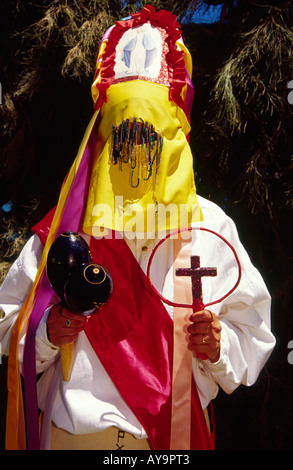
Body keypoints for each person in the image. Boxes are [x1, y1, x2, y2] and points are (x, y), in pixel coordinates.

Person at [0, 5, 275, 451]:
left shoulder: (209, 227)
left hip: (171, 438)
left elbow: (254, 330)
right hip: (73, 437)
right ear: (102, 137)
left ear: (175, 139)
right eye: (122, 134)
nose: (135, 151)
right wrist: (48, 331)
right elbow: (8, 319)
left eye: (148, 135)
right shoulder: (67, 228)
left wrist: (218, 347)